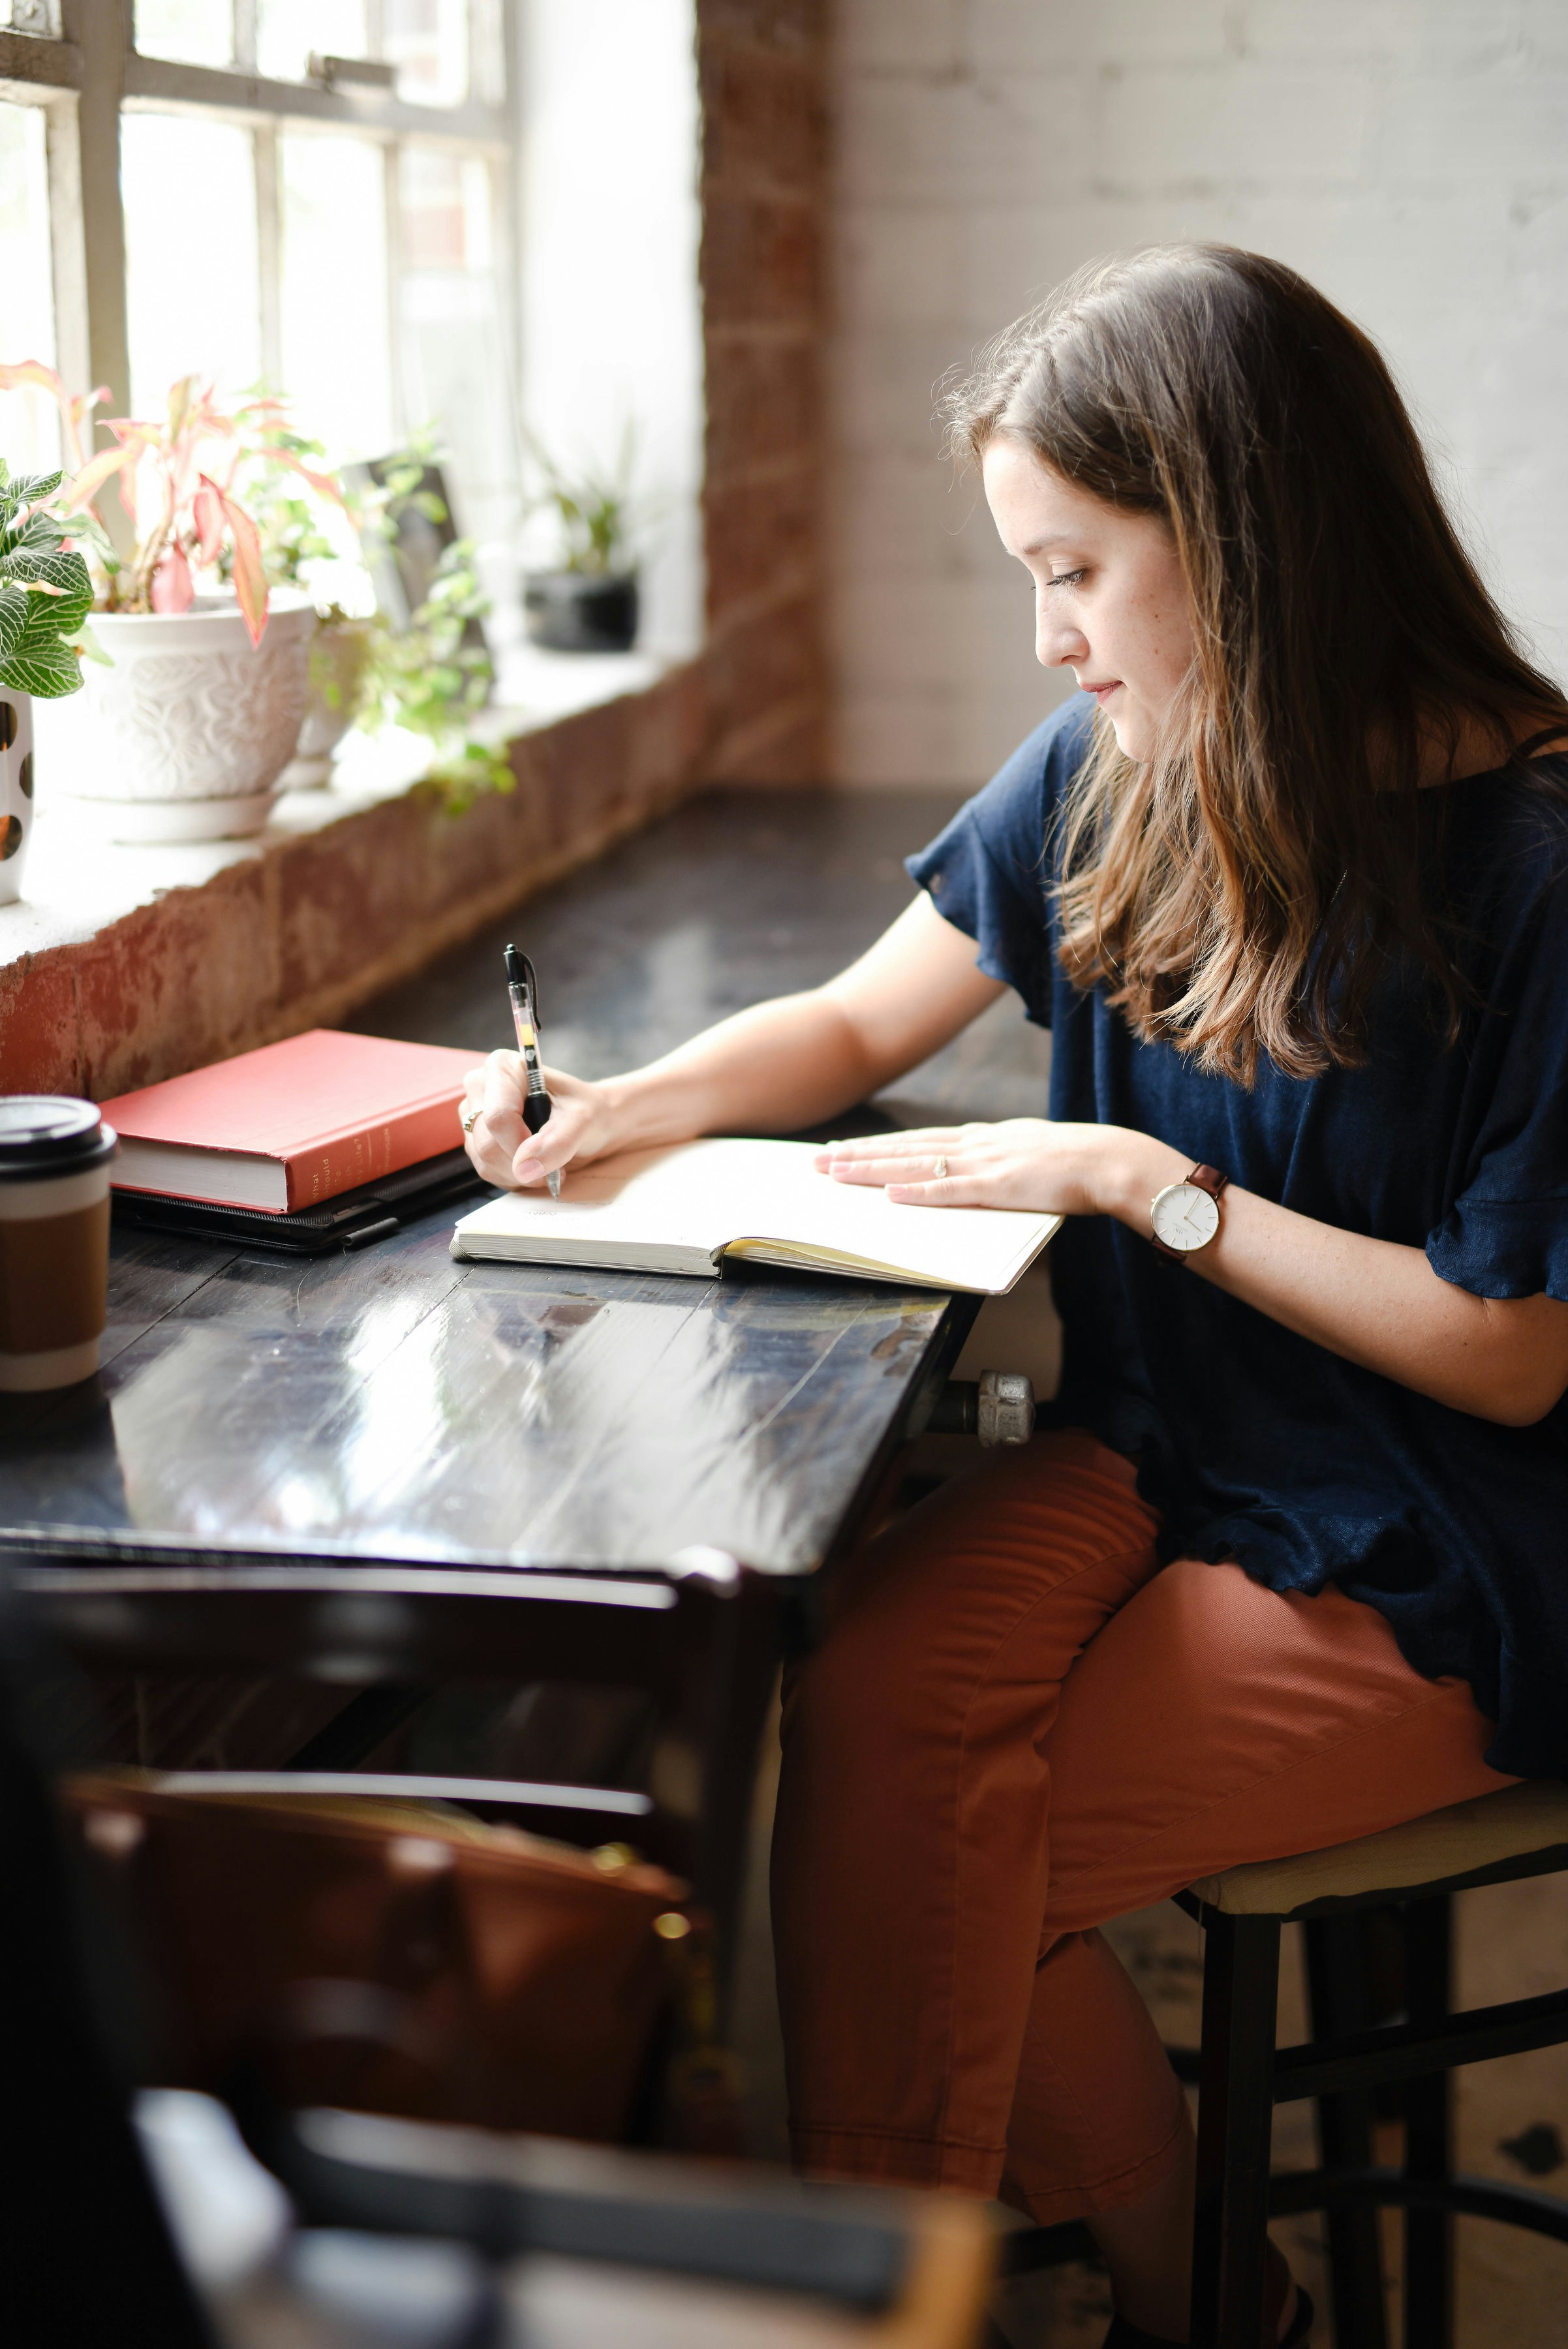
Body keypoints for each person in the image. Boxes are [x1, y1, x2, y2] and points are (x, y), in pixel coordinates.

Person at [461, 245, 1568, 2346]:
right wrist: (613, 1106)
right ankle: (1165, 2297)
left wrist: (1138, 1184)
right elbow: (849, 1020)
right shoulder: (1122, 757)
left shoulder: (1538, 865)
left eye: (1071, 568)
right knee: (867, 1697)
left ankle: (978, 2306)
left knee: (949, 1856)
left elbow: (1510, 1362)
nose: (1046, 637)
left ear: (1242, 543)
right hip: (1170, 1444)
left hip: (1459, 1530)